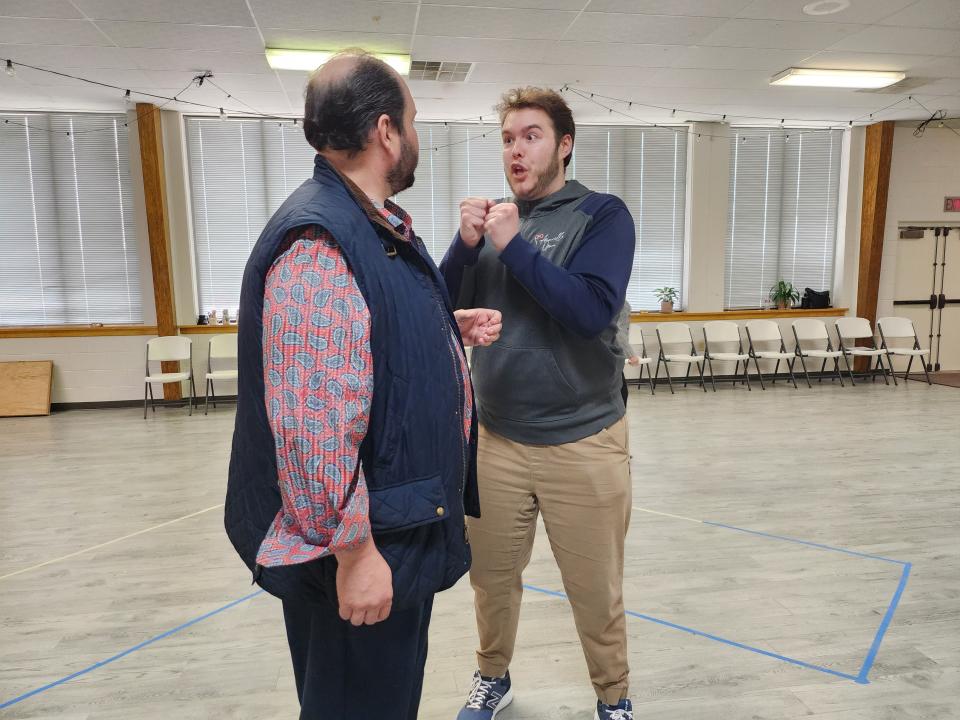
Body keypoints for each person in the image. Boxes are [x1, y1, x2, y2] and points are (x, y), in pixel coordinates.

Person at [223, 51, 502, 720]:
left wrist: (436, 330)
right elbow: (312, 427)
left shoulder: (365, 224)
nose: (414, 135)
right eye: (411, 119)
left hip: (395, 527)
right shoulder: (320, 238)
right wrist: (355, 556)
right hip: (362, 549)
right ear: (385, 131)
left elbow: (353, 347)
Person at [440, 87, 637, 720]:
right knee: (490, 580)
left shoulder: (602, 216)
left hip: (583, 439)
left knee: (594, 590)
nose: (516, 149)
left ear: (564, 145)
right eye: (507, 138)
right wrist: (464, 247)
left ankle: (613, 697)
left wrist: (514, 243)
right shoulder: (493, 227)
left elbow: (587, 311)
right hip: (496, 438)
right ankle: (492, 677)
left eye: (531, 135)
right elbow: (438, 311)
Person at [614, 301, 641, 406]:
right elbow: (618, 330)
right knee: (621, 393)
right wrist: (631, 354)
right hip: (610, 353)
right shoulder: (621, 303)